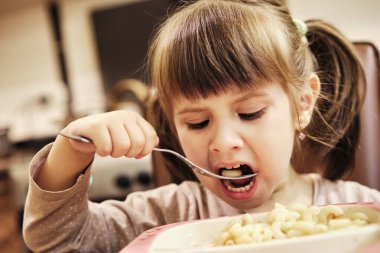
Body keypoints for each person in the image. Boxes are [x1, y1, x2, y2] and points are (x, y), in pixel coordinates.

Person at [23, 0, 380, 252]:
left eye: (250, 113)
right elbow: (58, 240)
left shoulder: (358, 208)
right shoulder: (170, 213)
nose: (223, 142)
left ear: (302, 105)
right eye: (198, 122)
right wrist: (70, 150)